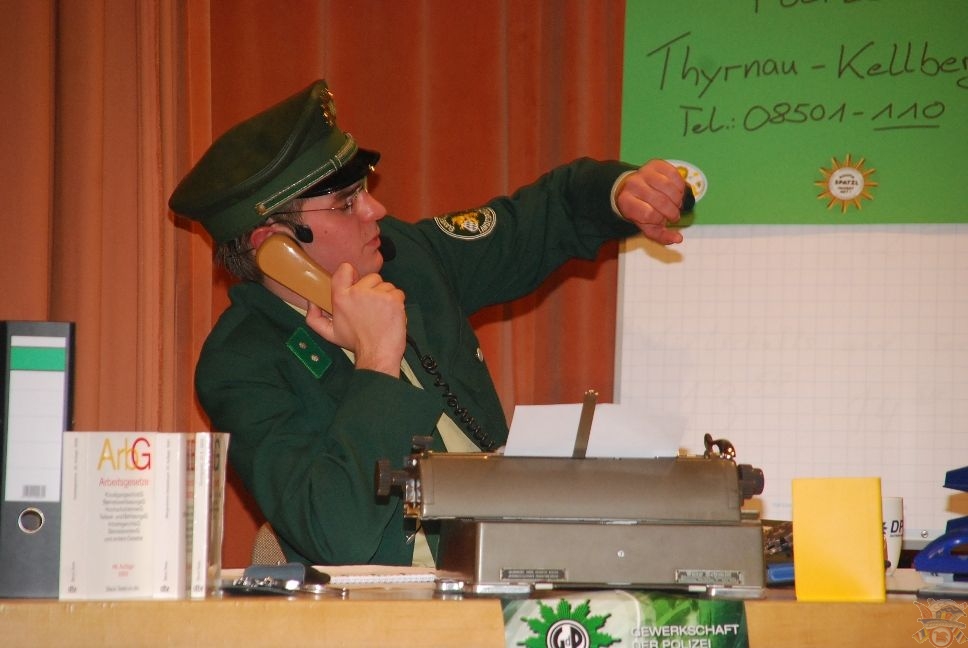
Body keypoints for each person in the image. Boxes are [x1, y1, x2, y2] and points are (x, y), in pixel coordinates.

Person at [168, 79, 690, 567]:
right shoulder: (241, 365)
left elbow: (535, 221)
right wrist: (377, 362)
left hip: (513, 570)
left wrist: (620, 193)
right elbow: (335, 532)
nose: (376, 209)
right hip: (390, 616)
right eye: (347, 204)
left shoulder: (404, 257)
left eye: (364, 190)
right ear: (275, 247)